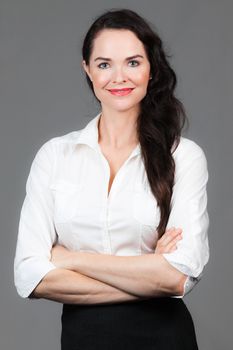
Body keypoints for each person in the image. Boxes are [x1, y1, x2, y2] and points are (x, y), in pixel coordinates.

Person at [14, 8, 209, 350]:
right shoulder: (55, 156)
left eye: (133, 62)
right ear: (87, 70)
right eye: (104, 64)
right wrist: (149, 273)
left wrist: (71, 259)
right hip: (82, 339)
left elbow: (178, 276)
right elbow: (30, 276)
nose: (119, 76)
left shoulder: (183, 156)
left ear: (152, 70)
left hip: (165, 339)